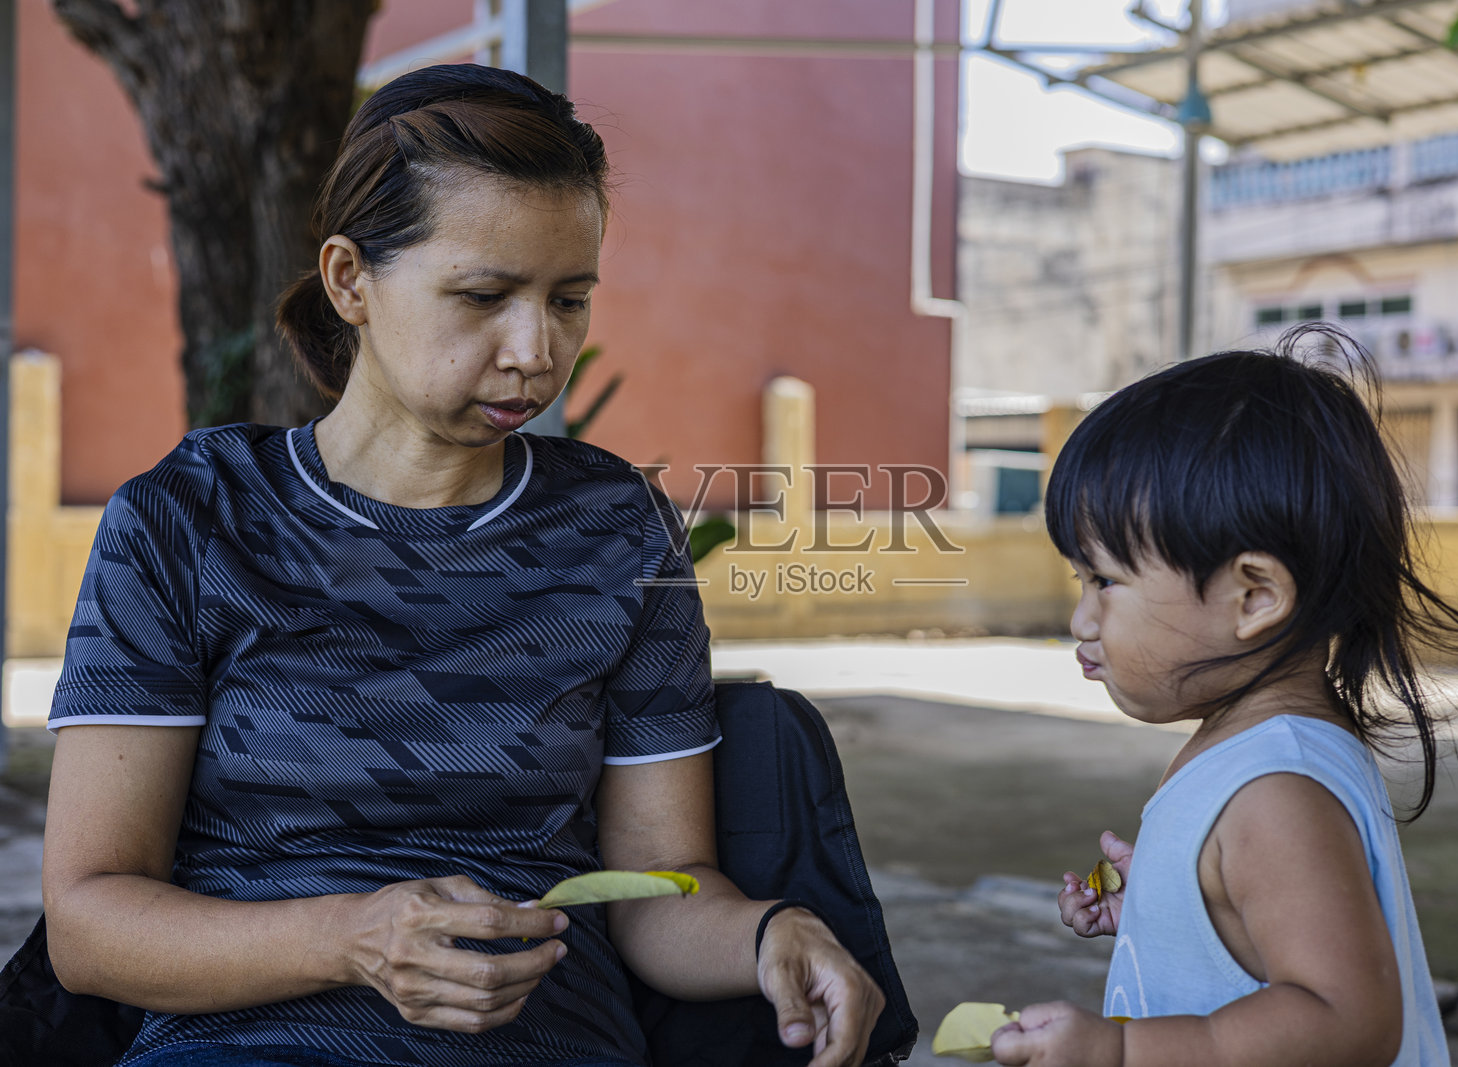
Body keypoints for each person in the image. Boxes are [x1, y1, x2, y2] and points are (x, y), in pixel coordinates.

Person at [41, 63, 883, 1067]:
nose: (535, 348)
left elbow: (662, 883)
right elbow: (87, 922)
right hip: (247, 1043)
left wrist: (766, 934)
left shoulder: (617, 527)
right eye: (483, 295)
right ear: (351, 278)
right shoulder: (190, 520)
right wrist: (352, 939)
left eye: (568, 299)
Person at [986, 327, 1458, 1067]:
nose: (1081, 619)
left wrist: (1121, 1053)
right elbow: (1260, 937)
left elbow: (1345, 1018)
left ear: (1254, 596)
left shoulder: (1277, 791)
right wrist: (1171, 907)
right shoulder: (1259, 750)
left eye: (1105, 581)